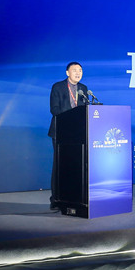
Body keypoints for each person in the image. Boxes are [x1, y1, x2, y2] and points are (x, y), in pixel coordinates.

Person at [48, 62, 89, 209]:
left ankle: (74, 198)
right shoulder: (58, 87)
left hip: (78, 134)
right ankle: (56, 199)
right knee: (59, 166)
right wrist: (71, 118)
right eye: (74, 70)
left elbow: (85, 110)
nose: (78, 73)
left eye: (80, 70)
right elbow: (54, 109)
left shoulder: (83, 89)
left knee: (77, 166)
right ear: (67, 73)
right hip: (61, 132)